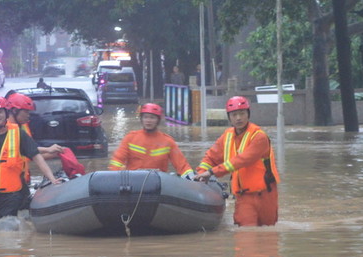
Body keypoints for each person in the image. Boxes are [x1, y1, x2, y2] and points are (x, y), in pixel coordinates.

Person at [0, 96, 60, 232]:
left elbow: (37, 157)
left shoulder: (18, 134)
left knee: (7, 232)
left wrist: (52, 179)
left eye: (0, 112)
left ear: (6, 113)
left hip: (11, 196)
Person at [195, 96, 280, 226]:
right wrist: (201, 172)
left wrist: (211, 172)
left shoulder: (259, 137)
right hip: (243, 196)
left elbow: (242, 160)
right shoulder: (227, 136)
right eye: (234, 115)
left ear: (248, 114)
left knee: (268, 236)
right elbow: (211, 157)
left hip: (265, 194)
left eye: (242, 113)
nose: (238, 118)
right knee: (245, 236)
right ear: (229, 117)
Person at [109, 102, 193, 177]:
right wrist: (114, 176)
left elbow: (182, 165)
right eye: (146, 117)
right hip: (134, 182)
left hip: (158, 184)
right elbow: (117, 160)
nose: (148, 121)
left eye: (152, 118)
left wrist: (192, 178)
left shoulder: (167, 141)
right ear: (141, 119)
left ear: (158, 120)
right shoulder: (130, 138)